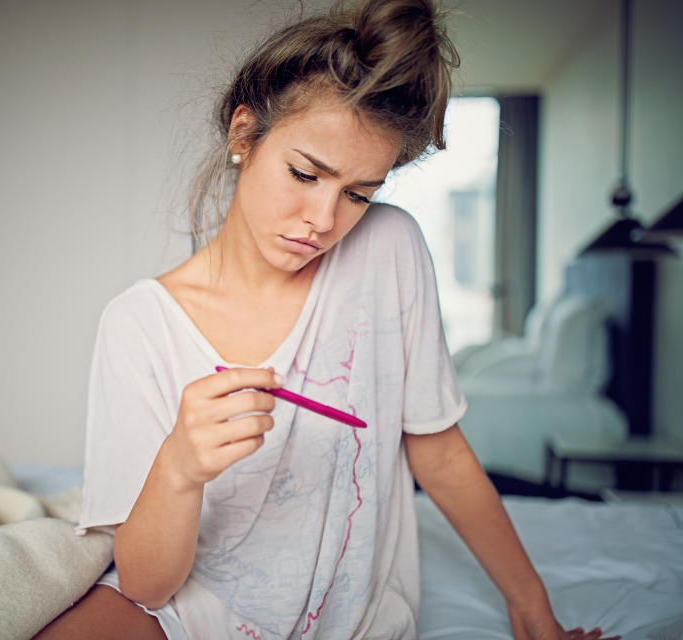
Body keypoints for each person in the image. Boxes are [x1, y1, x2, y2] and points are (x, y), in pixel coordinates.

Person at [35, 1, 619, 638]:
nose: (323, 219)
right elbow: (147, 586)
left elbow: (440, 453)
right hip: (187, 608)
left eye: (358, 193)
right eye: (305, 173)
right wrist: (179, 468)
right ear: (242, 135)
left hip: (348, 617)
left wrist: (530, 604)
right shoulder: (138, 325)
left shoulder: (388, 248)